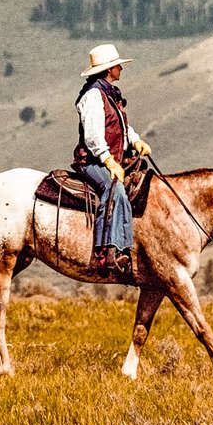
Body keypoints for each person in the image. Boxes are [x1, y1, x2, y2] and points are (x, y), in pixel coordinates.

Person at [71, 43, 152, 278]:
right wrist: (109, 161)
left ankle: (127, 247)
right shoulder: (94, 95)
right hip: (91, 162)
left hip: (109, 159)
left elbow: (121, 126)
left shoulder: (109, 94)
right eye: (118, 66)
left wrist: (135, 141)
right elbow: (94, 136)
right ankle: (108, 251)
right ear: (109, 70)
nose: (120, 69)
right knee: (113, 189)